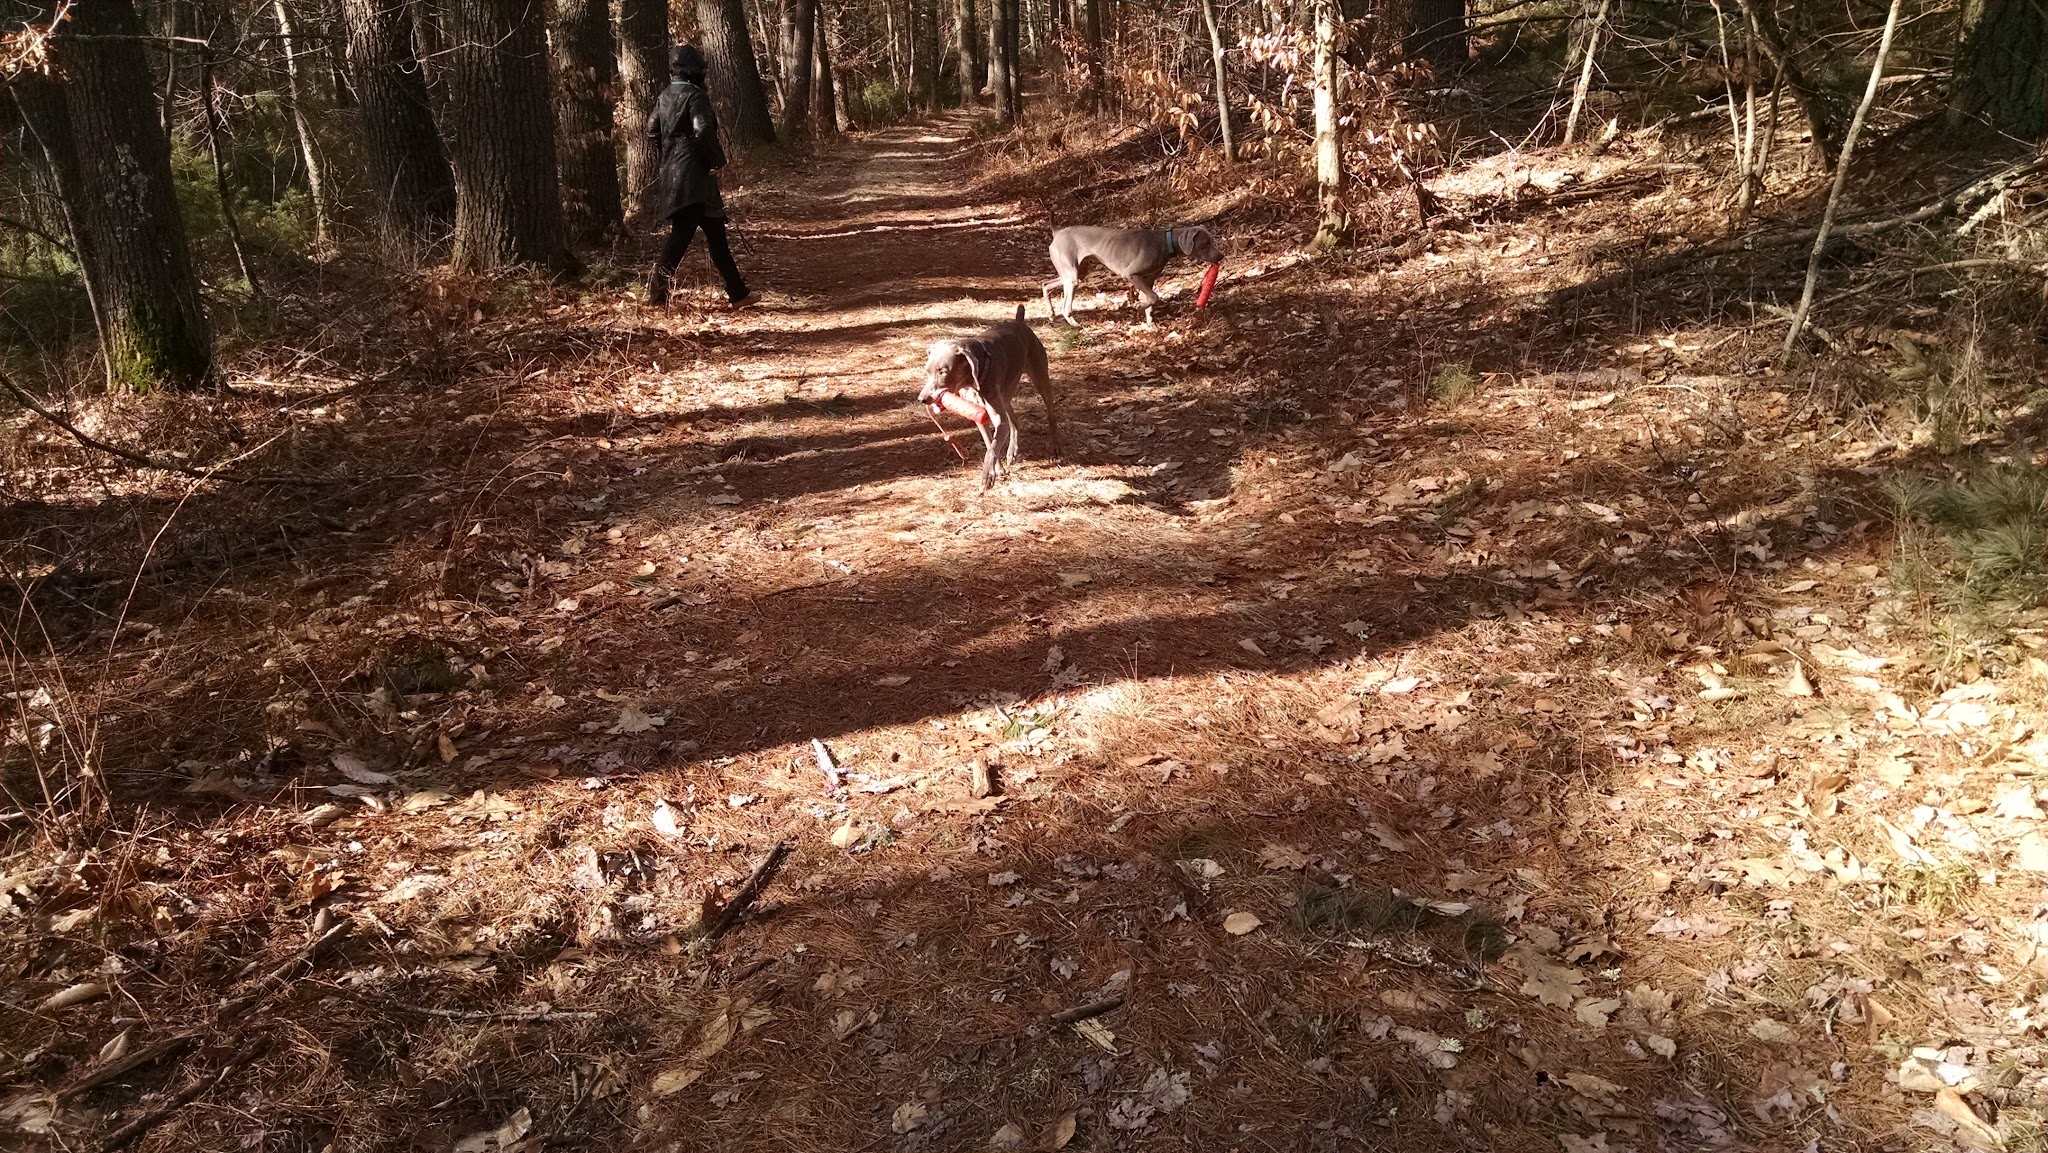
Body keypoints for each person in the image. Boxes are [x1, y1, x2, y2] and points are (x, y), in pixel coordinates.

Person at [645, 45, 757, 309]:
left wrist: (670, 152)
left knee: (716, 235)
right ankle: (657, 295)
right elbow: (703, 129)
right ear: (695, 69)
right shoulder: (695, 95)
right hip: (695, 178)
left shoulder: (664, 95)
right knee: (680, 237)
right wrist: (717, 160)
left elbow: (652, 131)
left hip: (683, 177)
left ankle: (739, 294)